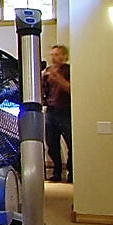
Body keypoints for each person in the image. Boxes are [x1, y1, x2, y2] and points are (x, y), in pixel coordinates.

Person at [43, 43, 72, 182]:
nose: (53, 58)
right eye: (52, 55)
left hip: (65, 111)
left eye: (57, 55)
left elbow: (71, 89)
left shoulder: (69, 71)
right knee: (52, 144)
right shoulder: (48, 70)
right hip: (51, 111)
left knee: (71, 143)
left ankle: (72, 173)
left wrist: (57, 78)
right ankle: (56, 172)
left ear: (64, 56)